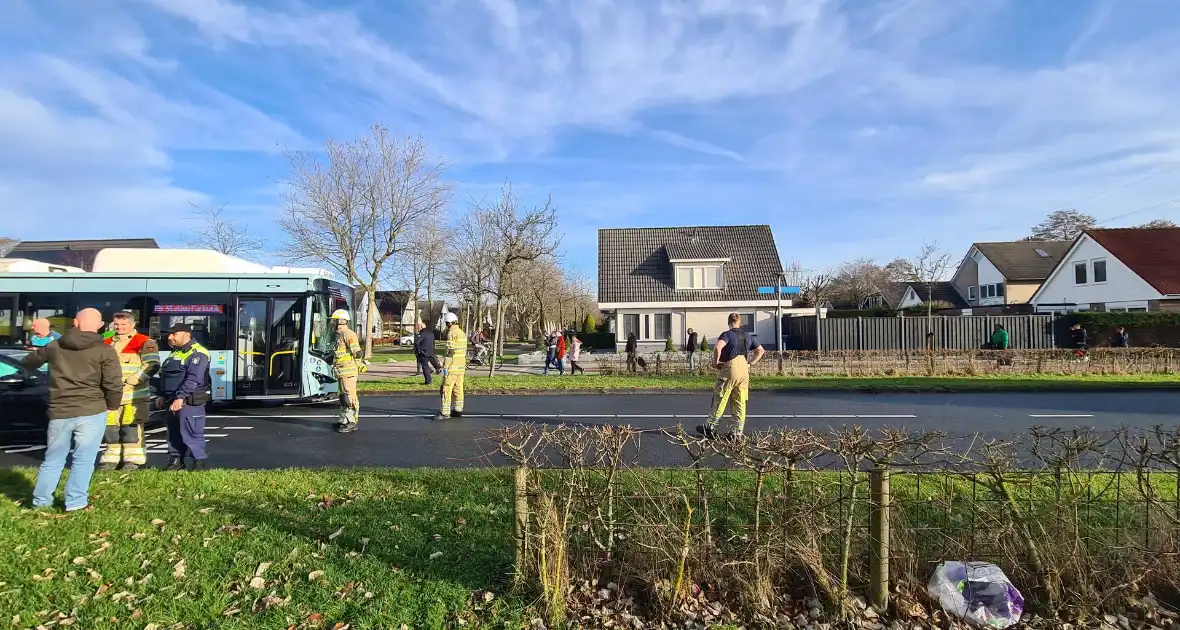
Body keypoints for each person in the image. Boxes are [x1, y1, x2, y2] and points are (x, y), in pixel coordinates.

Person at [23, 308, 122, 512]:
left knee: (53, 458)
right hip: (92, 409)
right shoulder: (105, 350)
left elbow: (27, 362)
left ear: (75, 323)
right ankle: (76, 502)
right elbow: (113, 384)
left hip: (60, 409)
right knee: (83, 459)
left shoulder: (54, 346)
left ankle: (41, 502)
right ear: (101, 326)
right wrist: (112, 405)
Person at [98, 311, 160, 471]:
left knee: (131, 429)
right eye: (117, 324)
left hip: (134, 396)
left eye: (123, 324)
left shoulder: (144, 342)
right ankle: (110, 459)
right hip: (109, 396)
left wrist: (133, 381)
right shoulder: (105, 341)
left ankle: (133, 461)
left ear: (132, 325)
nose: (119, 327)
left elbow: (152, 365)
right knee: (110, 428)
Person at [697, 313, 765, 441]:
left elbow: (718, 347)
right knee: (740, 401)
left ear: (729, 322)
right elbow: (760, 350)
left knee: (721, 397)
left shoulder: (727, 334)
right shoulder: (748, 336)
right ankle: (737, 432)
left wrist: (716, 362)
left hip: (730, 368)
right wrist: (751, 363)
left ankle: (710, 428)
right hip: (744, 369)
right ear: (740, 322)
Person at [156, 324, 211, 471]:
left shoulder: (198, 353)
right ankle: (176, 461)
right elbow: (166, 376)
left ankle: (198, 463)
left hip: (189, 400)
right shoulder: (175, 353)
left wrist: (180, 397)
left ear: (186, 334)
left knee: (192, 432)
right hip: (172, 400)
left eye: (174, 334)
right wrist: (162, 395)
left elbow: (193, 379)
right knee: (173, 432)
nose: (170, 337)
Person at [330, 309, 367, 433]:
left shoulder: (348, 334)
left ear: (341, 321)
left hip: (348, 372)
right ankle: (344, 420)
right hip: (341, 372)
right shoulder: (339, 336)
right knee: (343, 397)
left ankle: (352, 422)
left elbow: (357, 353)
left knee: (349, 397)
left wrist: (360, 364)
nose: (333, 323)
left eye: (334, 321)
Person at [435, 312, 467, 421]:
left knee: (446, 389)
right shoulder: (462, 333)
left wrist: (445, 366)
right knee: (458, 389)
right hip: (461, 367)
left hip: (452, 368)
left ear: (449, 323)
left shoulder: (451, 333)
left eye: (446, 323)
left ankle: (445, 413)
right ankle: (458, 410)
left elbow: (450, 351)